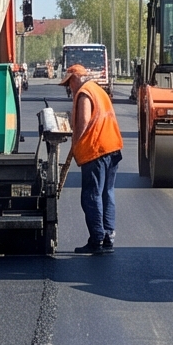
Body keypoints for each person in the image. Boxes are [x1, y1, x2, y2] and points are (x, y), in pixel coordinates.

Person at [64, 61, 122, 256]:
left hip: (96, 150)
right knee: (107, 192)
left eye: (69, 82)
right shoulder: (98, 90)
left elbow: (84, 122)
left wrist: (75, 145)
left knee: (91, 195)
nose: (69, 87)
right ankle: (108, 237)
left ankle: (97, 238)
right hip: (112, 147)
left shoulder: (84, 93)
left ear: (76, 78)